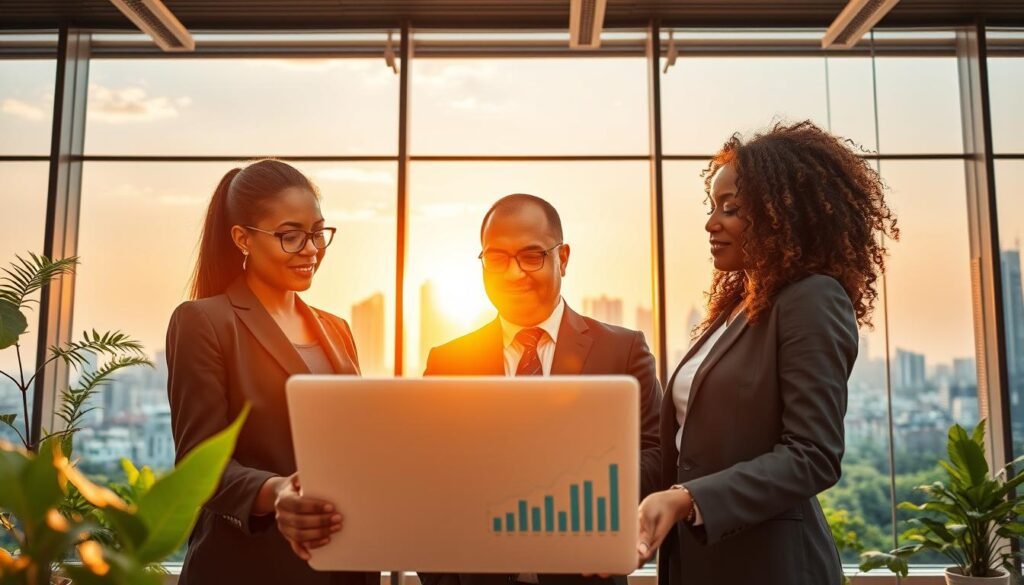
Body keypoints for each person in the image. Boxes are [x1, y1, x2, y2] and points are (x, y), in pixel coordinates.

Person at [635, 121, 899, 585]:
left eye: (730, 209)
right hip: (700, 564)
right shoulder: (740, 305)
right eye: (713, 206)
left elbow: (813, 455)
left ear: (783, 214)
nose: (711, 222)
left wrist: (686, 499)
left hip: (769, 565)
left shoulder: (811, 298)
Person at [420, 193, 662, 585]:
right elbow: (424, 475)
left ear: (562, 258)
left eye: (531, 256)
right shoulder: (448, 361)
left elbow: (657, 455)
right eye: (497, 258)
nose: (514, 274)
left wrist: (576, 491)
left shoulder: (623, 351)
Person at [165, 159, 378, 585]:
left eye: (318, 232)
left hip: (344, 565)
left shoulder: (337, 329)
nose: (311, 249)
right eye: (290, 236)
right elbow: (199, 463)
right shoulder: (204, 321)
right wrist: (277, 492)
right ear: (243, 238)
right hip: (250, 567)